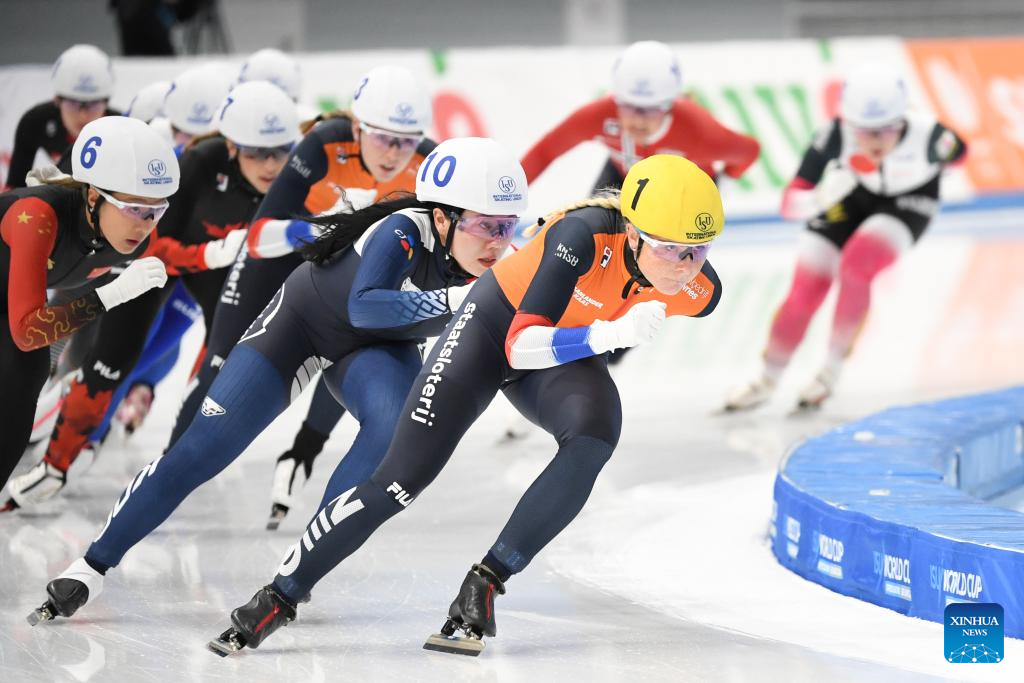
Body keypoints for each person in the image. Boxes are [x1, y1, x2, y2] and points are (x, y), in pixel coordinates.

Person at [199, 154, 726, 656]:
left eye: (698, 250)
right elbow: (520, 346)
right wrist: (609, 333)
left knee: (594, 437)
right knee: (400, 481)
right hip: (494, 328)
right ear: (632, 233)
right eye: (671, 249)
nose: (685, 266)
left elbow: (671, 289)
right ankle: (281, 595)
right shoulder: (581, 237)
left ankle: (486, 584)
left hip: (562, 350)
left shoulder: (700, 290)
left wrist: (603, 332)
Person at [27, 137, 526, 631]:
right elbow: (364, 305)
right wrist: (455, 303)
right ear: (442, 217)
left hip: (376, 351)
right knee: (202, 450)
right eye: (485, 225)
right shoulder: (401, 229)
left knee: (391, 431)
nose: (497, 242)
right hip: (300, 327)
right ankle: (90, 566)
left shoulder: (501, 257)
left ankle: (301, 568)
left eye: (507, 227)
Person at [160, 65, 436, 529]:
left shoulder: (430, 163)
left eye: (407, 141)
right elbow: (258, 236)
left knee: (357, 346)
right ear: (356, 128)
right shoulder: (326, 143)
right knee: (220, 362)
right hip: (283, 257)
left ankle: (301, 455)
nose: (394, 153)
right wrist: (322, 224)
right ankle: (169, 470)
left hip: (342, 274)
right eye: (383, 137)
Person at [7, 82, 301, 507]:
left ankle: (171, 463)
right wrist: (213, 251)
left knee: (222, 354)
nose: (272, 164)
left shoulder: (296, 176)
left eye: (282, 150)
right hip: (162, 266)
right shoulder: (197, 163)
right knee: (111, 362)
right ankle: (55, 464)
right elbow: (150, 245)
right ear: (233, 146)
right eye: (258, 152)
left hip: (215, 270)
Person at [723, 63, 966, 412]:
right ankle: (766, 379)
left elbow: (961, 156)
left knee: (857, 265)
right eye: (864, 131)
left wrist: (931, 171)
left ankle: (829, 372)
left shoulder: (931, 136)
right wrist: (821, 197)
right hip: (848, 196)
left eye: (886, 130)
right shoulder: (834, 136)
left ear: (903, 120)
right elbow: (790, 205)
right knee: (805, 288)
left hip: (909, 202)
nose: (874, 141)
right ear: (848, 123)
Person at [0, 116, 178, 491]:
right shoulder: (38, 218)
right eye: (134, 209)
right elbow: (28, 330)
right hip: (16, 310)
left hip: (10, 301)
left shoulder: (129, 237)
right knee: (29, 357)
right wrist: (113, 294)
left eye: (156, 211)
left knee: (28, 372)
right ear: (94, 197)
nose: (145, 224)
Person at [521, 40, 759, 194]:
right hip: (624, 176)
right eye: (629, 106)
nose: (638, 120)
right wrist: (509, 196)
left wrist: (725, 183)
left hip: (683, 190)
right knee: (586, 229)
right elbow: (546, 150)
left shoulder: (699, 132)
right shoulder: (600, 115)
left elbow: (750, 150)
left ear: (669, 106)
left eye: (650, 109)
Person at [6, 45, 120, 191]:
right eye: (73, 103)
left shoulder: (122, 128)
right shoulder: (35, 121)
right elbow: (15, 187)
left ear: (106, 102)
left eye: (93, 104)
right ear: (57, 100)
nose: (83, 115)